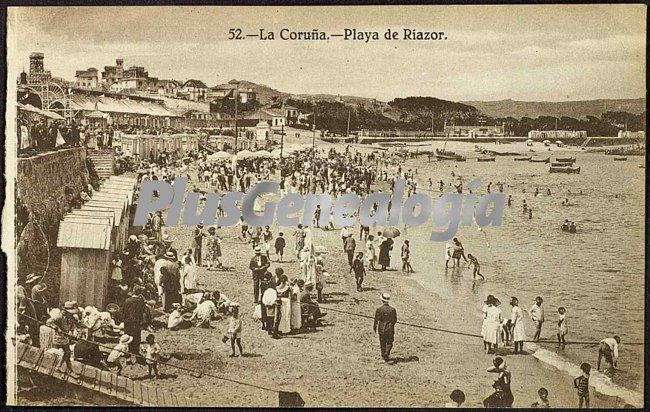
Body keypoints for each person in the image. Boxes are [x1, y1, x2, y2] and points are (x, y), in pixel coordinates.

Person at [51, 302, 80, 378]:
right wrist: (58, 328)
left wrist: (75, 333)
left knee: (67, 353)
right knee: (67, 352)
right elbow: (49, 322)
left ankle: (59, 367)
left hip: (65, 338)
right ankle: (69, 370)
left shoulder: (71, 318)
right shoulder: (60, 316)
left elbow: (74, 326)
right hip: (59, 338)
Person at [122, 286, 148, 356]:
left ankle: (127, 352)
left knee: (128, 336)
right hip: (136, 321)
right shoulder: (140, 301)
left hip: (128, 321)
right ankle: (135, 352)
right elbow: (143, 311)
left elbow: (124, 311)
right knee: (136, 337)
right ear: (140, 293)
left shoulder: (127, 300)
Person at [373, 293, 397, 363]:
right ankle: (387, 353)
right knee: (389, 342)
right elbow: (395, 320)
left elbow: (376, 320)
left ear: (382, 300)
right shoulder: (392, 310)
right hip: (390, 329)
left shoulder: (379, 309)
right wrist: (391, 324)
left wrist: (375, 327)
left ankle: (384, 356)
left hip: (381, 328)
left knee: (382, 342)